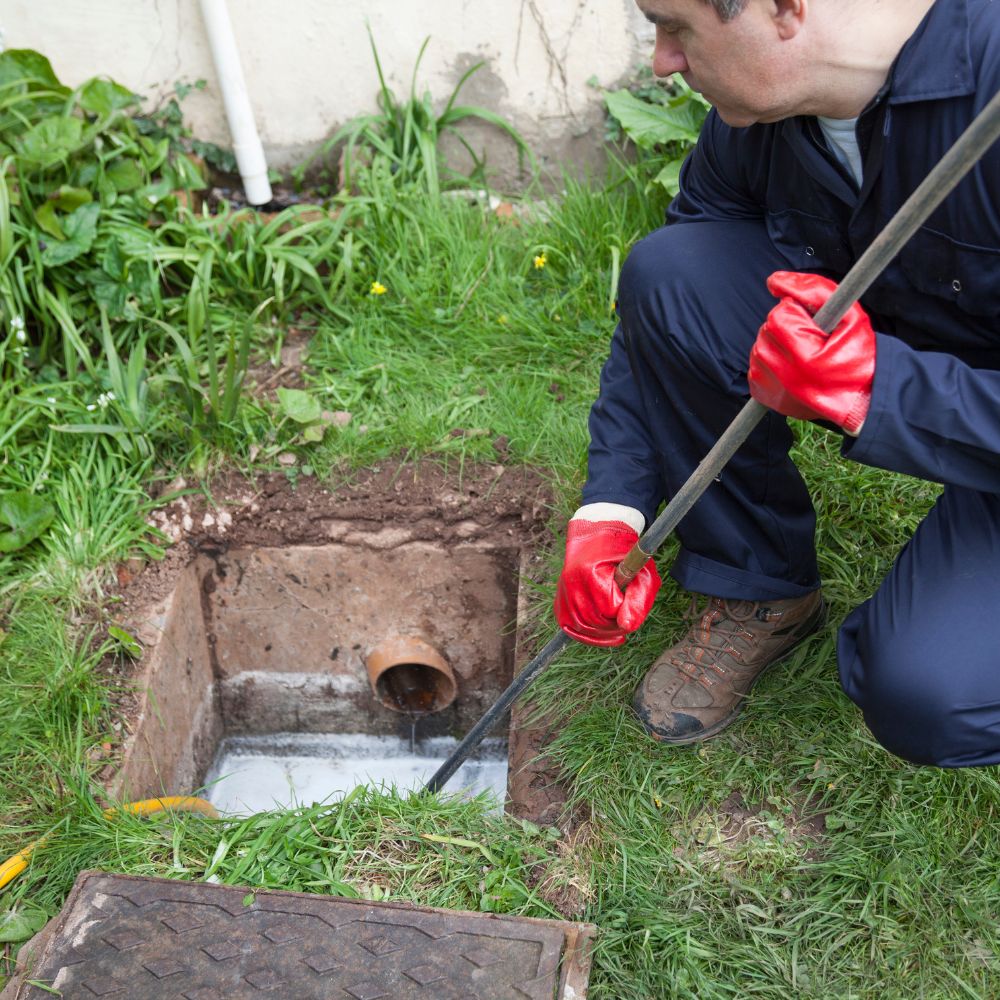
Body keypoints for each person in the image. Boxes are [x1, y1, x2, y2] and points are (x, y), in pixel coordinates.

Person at [554, 0, 1000, 766]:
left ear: (785, 8)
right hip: (924, 358)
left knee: (931, 694)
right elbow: (666, 308)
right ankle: (758, 586)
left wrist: (880, 388)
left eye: (676, 26)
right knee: (673, 271)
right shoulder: (762, 119)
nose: (662, 60)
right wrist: (612, 506)